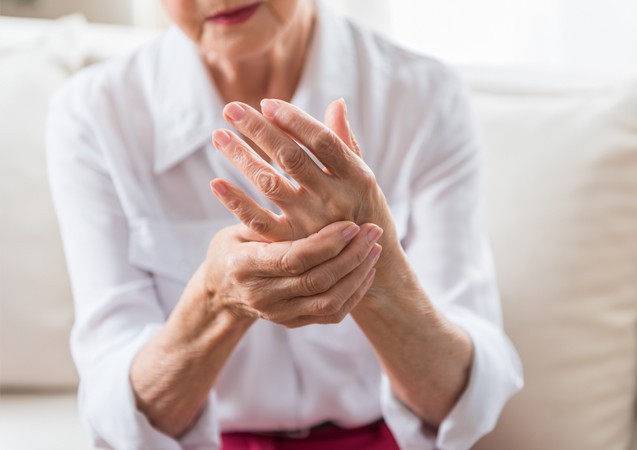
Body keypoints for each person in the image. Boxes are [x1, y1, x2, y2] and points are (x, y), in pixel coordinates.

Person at [46, 0, 523, 448]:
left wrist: (377, 268)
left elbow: (465, 398)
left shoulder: (422, 95)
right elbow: (119, 410)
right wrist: (214, 299)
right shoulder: (95, 114)